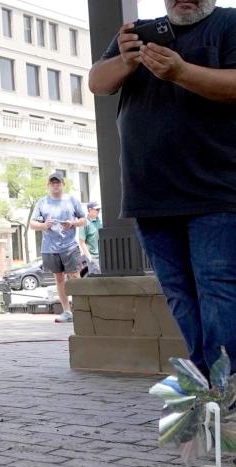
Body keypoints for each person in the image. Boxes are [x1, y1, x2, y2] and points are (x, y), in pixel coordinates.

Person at [88, 0, 236, 375]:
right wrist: (125, 60)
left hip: (216, 191)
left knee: (218, 291)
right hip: (149, 193)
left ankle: (225, 388)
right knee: (179, 295)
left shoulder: (229, 24)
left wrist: (180, 71)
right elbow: (97, 83)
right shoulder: (139, 32)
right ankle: (209, 385)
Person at [29, 173, 87, 323]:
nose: (55, 185)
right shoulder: (42, 202)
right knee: (59, 279)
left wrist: (72, 223)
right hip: (50, 248)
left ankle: (81, 310)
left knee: (75, 278)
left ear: (63, 184)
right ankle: (67, 311)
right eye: (52, 183)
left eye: (58, 182)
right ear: (48, 185)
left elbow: (84, 220)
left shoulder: (71, 200)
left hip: (70, 246)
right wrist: (44, 225)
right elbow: (32, 224)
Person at [78, 202, 103, 277]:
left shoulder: (100, 220)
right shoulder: (85, 223)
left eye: (99, 209)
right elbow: (81, 242)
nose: (98, 211)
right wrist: (89, 257)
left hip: (103, 256)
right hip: (93, 257)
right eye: (97, 209)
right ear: (90, 210)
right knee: (97, 280)